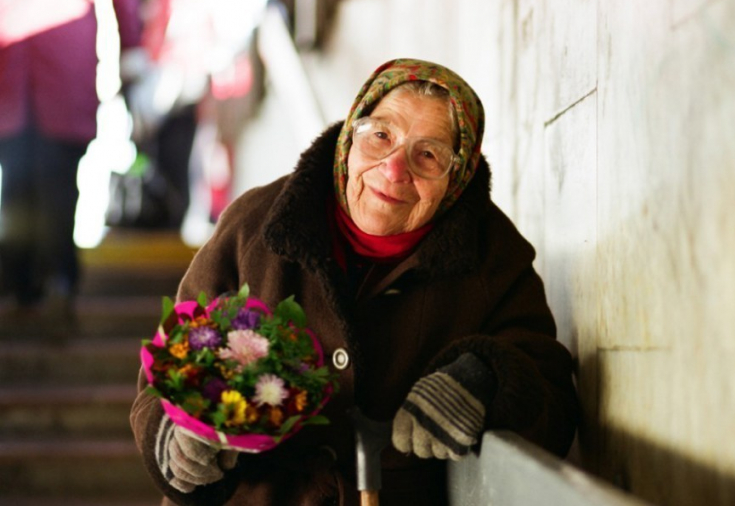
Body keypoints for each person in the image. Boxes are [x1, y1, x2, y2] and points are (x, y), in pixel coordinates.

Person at [130, 58, 579, 505]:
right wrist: (176, 438)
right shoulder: (256, 225)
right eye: (381, 136)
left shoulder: (494, 257)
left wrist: (485, 380)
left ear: (458, 177)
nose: (394, 169)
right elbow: (169, 368)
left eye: (428, 155)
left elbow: (553, 396)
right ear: (350, 137)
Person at [0, 0, 142, 313]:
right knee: (14, 183)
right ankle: (16, 283)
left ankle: (59, 280)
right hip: (10, 70)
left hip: (62, 65)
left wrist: (131, 47)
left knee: (58, 184)